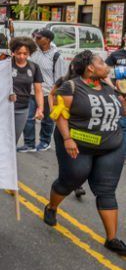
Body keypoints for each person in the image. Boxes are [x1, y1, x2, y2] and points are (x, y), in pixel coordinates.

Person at [44, 51, 126, 256]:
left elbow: (118, 112)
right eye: (100, 62)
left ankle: (112, 238)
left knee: (106, 189)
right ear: (90, 67)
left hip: (111, 146)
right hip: (77, 145)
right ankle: (52, 207)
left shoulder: (109, 87)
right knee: (72, 178)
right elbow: (60, 115)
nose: (105, 64)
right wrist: (68, 139)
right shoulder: (70, 87)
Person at [18, 29, 68, 153]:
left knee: (47, 120)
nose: (36, 39)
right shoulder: (33, 52)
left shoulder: (57, 56)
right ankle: (29, 143)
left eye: (39, 38)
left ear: (48, 40)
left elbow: (60, 78)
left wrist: (55, 95)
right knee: (28, 118)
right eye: (35, 37)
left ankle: (45, 142)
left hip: (47, 93)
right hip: (30, 91)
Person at [9, 37, 44, 143]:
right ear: (13, 52)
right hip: (5, 108)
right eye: (18, 53)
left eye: (25, 53)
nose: (22, 56)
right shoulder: (5, 65)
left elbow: (38, 91)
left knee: (13, 140)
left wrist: (40, 109)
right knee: (3, 139)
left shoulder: (34, 67)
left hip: (22, 109)